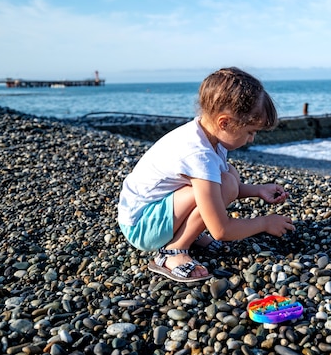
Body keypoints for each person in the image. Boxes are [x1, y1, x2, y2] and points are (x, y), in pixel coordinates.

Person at [117, 67, 295, 283]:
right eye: (250, 131)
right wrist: (265, 223)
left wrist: (257, 190)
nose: (252, 139)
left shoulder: (206, 135)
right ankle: (173, 251)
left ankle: (190, 233)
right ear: (225, 122)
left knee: (229, 175)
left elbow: (217, 188)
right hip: (142, 227)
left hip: (151, 212)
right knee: (227, 183)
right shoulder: (198, 154)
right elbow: (221, 230)